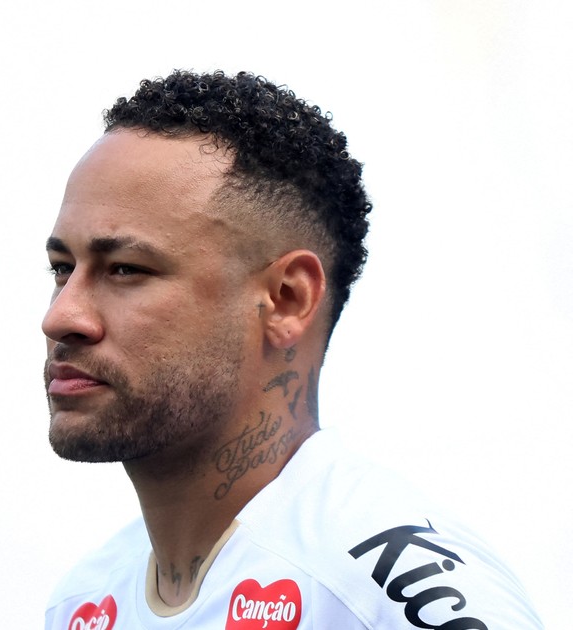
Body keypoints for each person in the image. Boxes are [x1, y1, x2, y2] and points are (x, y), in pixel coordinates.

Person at [42, 70, 541, 630]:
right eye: (62, 268)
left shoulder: (385, 597)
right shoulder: (83, 601)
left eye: (126, 269)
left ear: (286, 300)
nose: (60, 317)